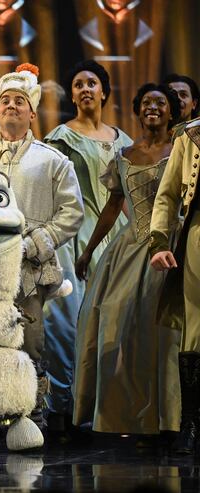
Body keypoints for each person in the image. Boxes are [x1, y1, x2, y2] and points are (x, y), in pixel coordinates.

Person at [0, 63, 84, 431]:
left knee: (30, 343)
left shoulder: (53, 161)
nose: (10, 106)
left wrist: (33, 244)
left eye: (19, 101)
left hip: (28, 269)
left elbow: (72, 212)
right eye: (4, 100)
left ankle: (27, 418)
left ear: (32, 112)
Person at [73, 83, 181, 440]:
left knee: (166, 334)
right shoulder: (123, 156)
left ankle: (171, 421)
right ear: (137, 111)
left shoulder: (181, 151)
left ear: (171, 112)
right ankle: (126, 418)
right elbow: (111, 207)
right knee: (117, 328)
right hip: (129, 248)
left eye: (160, 103)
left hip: (171, 248)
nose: (153, 107)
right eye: (146, 102)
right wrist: (88, 251)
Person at [42, 60, 132, 436]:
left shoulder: (123, 139)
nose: (84, 89)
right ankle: (64, 408)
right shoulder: (59, 138)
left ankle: (113, 408)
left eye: (92, 83)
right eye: (78, 84)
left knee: (118, 320)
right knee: (67, 321)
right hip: (76, 237)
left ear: (104, 92)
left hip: (120, 235)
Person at [150, 102, 200, 455]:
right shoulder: (189, 132)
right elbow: (167, 194)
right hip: (198, 234)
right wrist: (159, 240)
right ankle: (192, 425)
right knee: (195, 330)